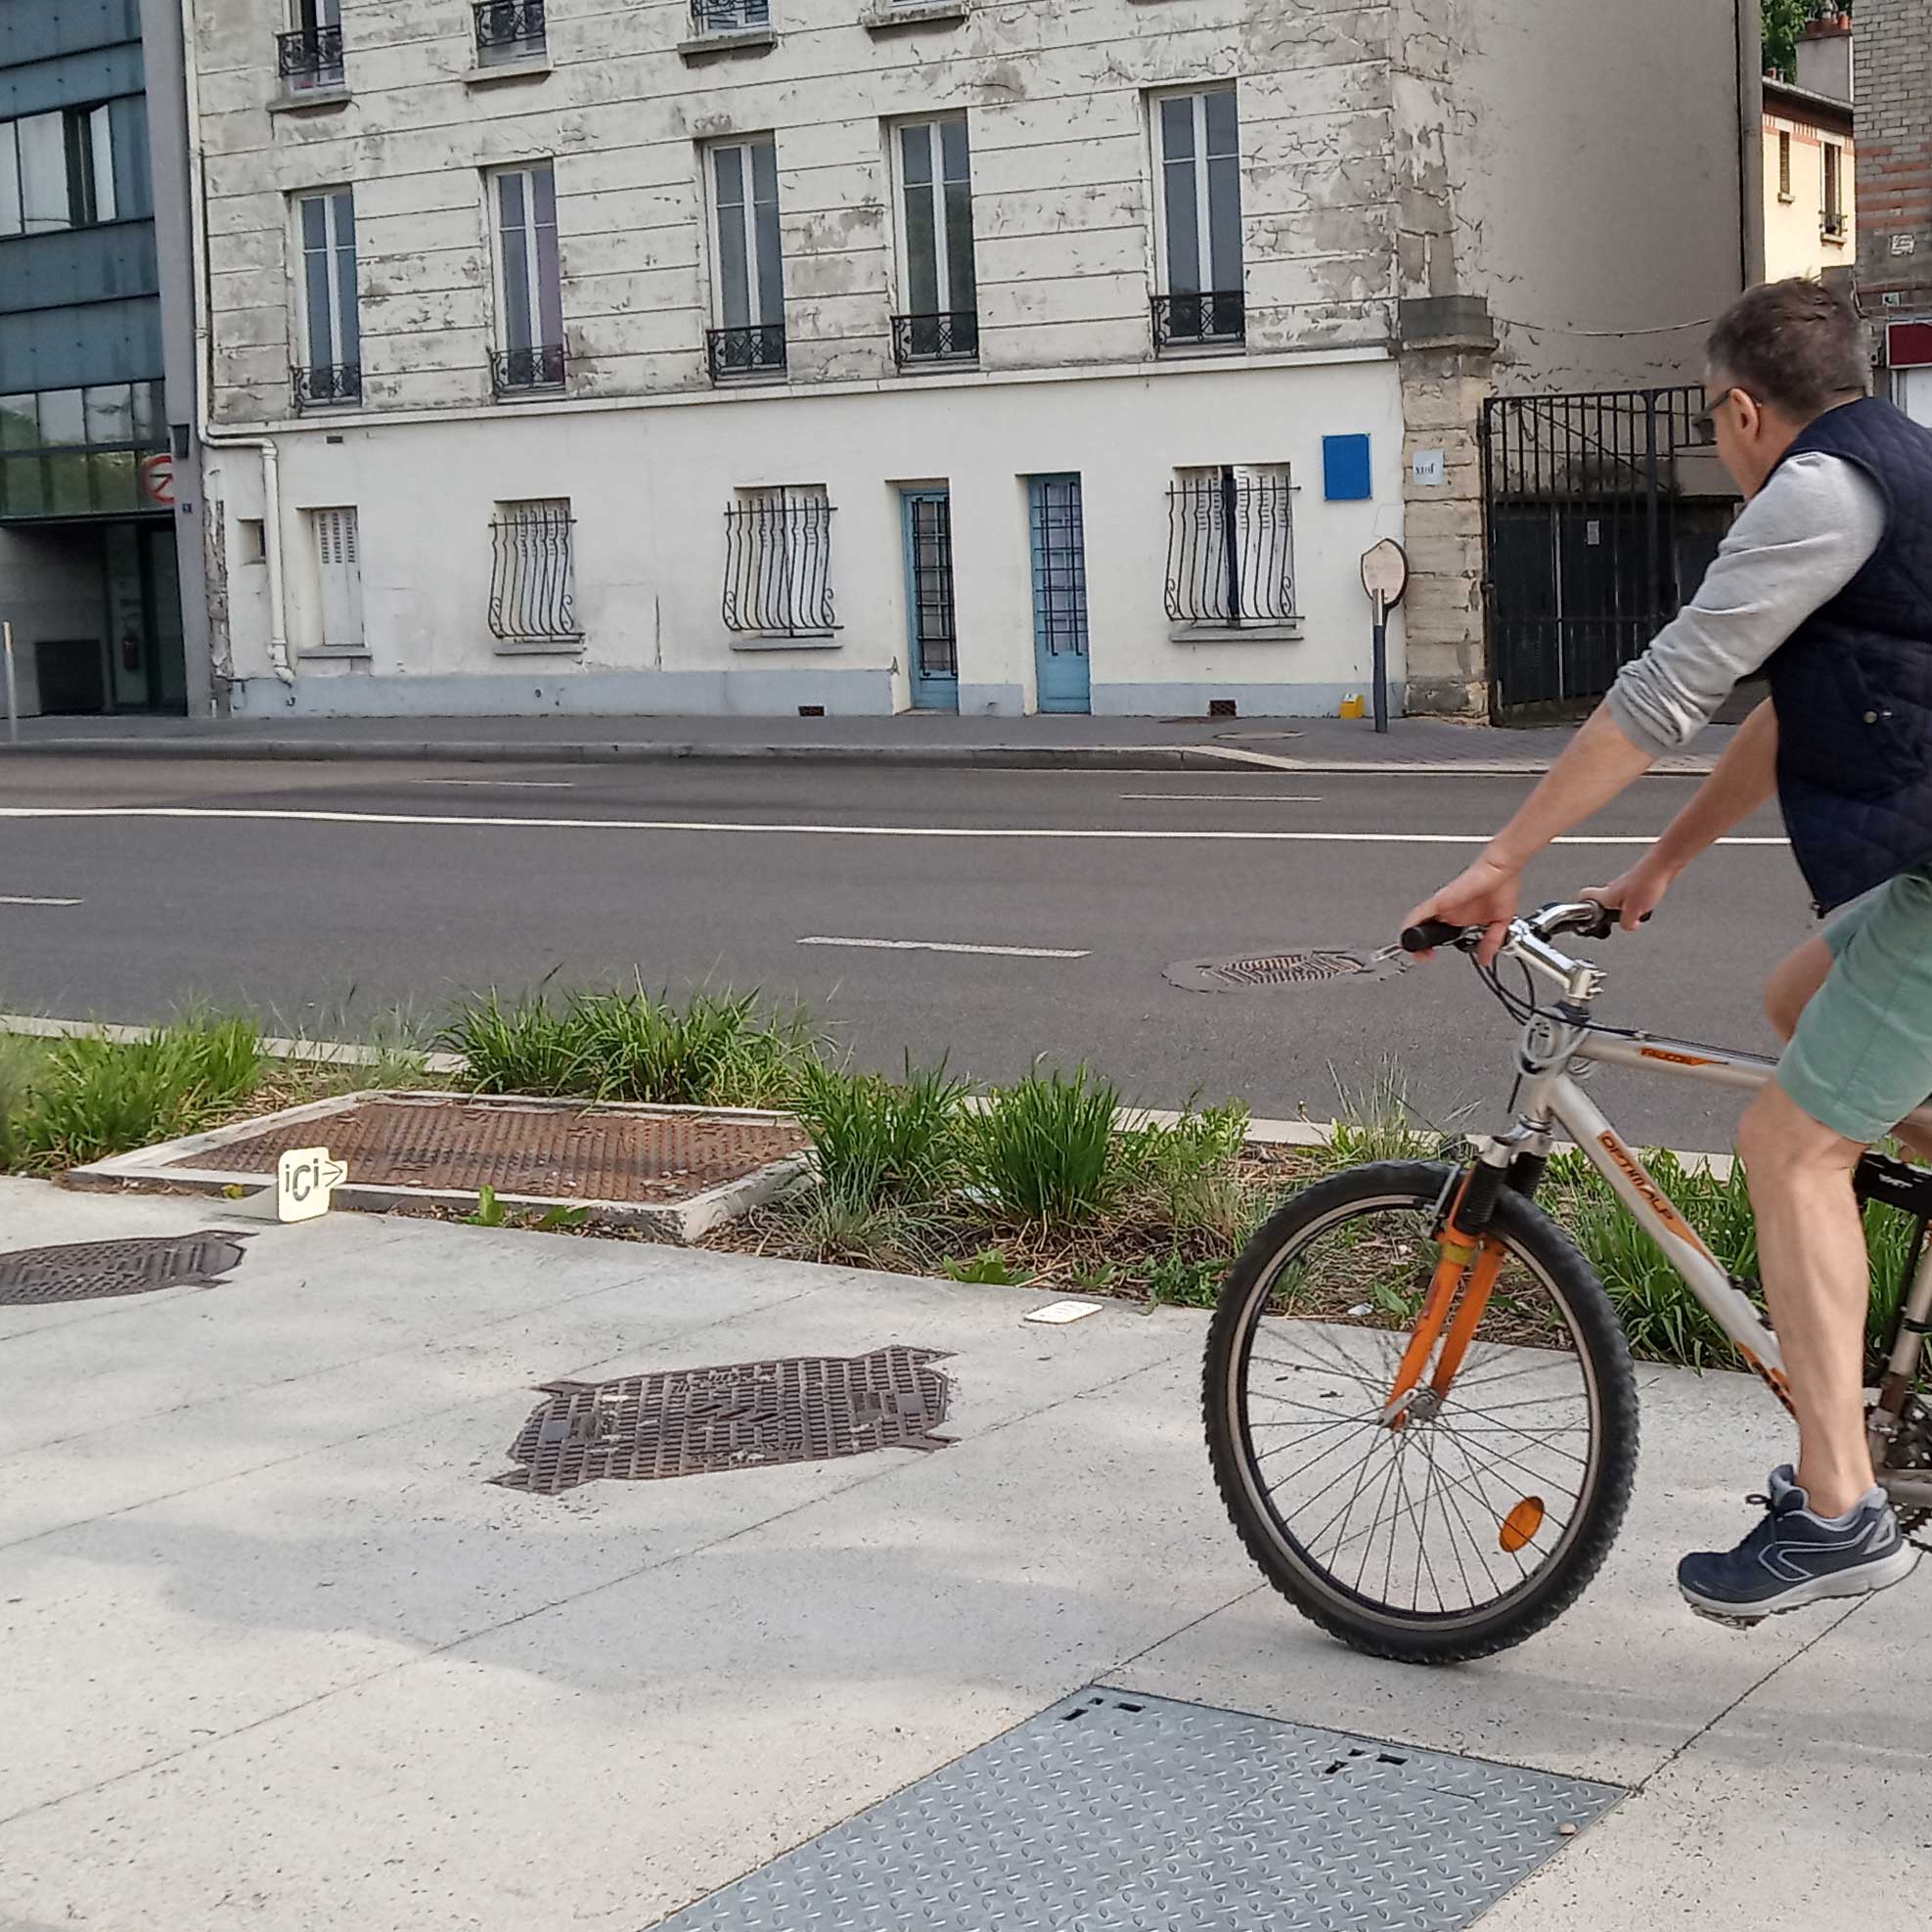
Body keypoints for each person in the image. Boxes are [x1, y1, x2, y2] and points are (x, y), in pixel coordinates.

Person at [1405, 278, 1932, 1622]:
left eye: (1712, 420)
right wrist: (1660, 865)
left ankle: (1838, 1511)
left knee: (1791, 1146)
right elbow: (1786, 710)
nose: (1720, 443)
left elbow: (1662, 696)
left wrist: (1502, 860)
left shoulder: (1815, 495)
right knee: (1798, 994)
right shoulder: (1902, 464)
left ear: (1743, 411)